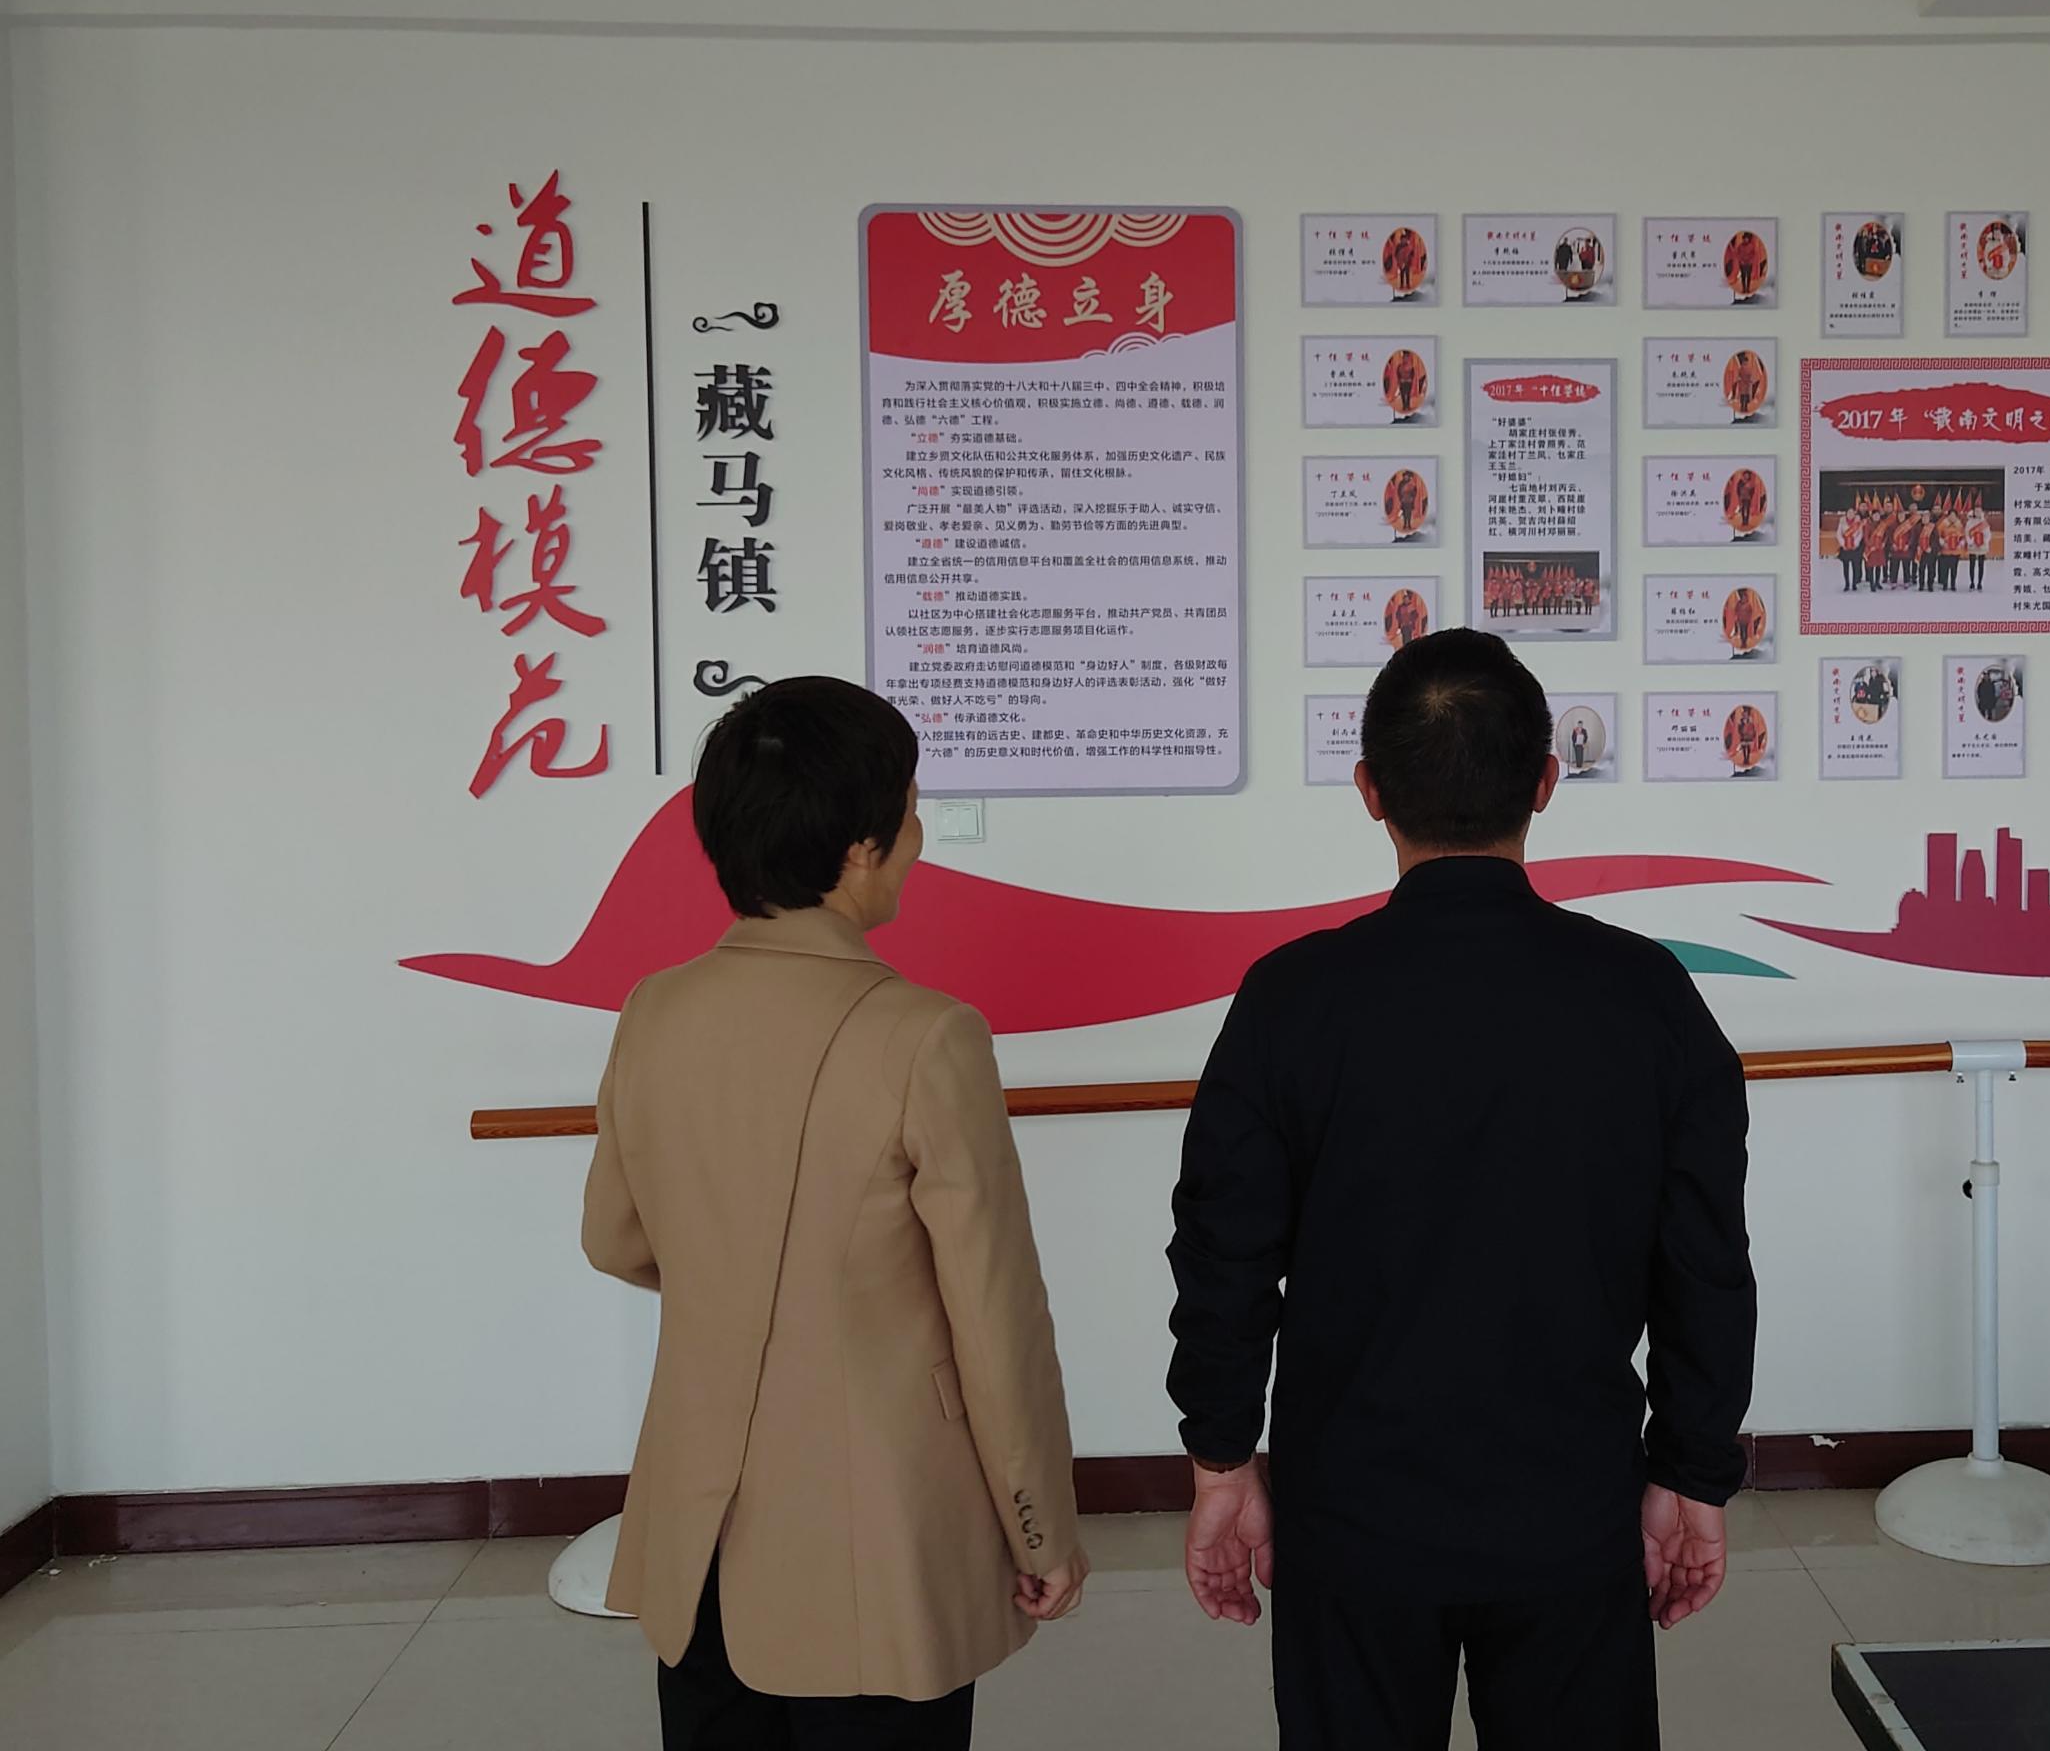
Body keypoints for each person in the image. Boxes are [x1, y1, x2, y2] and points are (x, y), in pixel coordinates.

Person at [1167, 630, 1755, 1751]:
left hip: (1352, 1514)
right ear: (1545, 783)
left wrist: (1221, 1459)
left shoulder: (1292, 999)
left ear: (1369, 791)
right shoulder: (1645, 996)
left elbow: (1222, 1256)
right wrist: (1692, 1471)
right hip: (1571, 1508)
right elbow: (1706, 1263)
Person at [585, 677, 1086, 1750]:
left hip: (698, 1537)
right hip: (878, 1542)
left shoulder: (654, 1009)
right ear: (861, 847)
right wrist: (1039, 1528)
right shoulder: (928, 1036)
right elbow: (995, 1321)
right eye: (911, 810)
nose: (918, 835)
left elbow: (614, 1238)